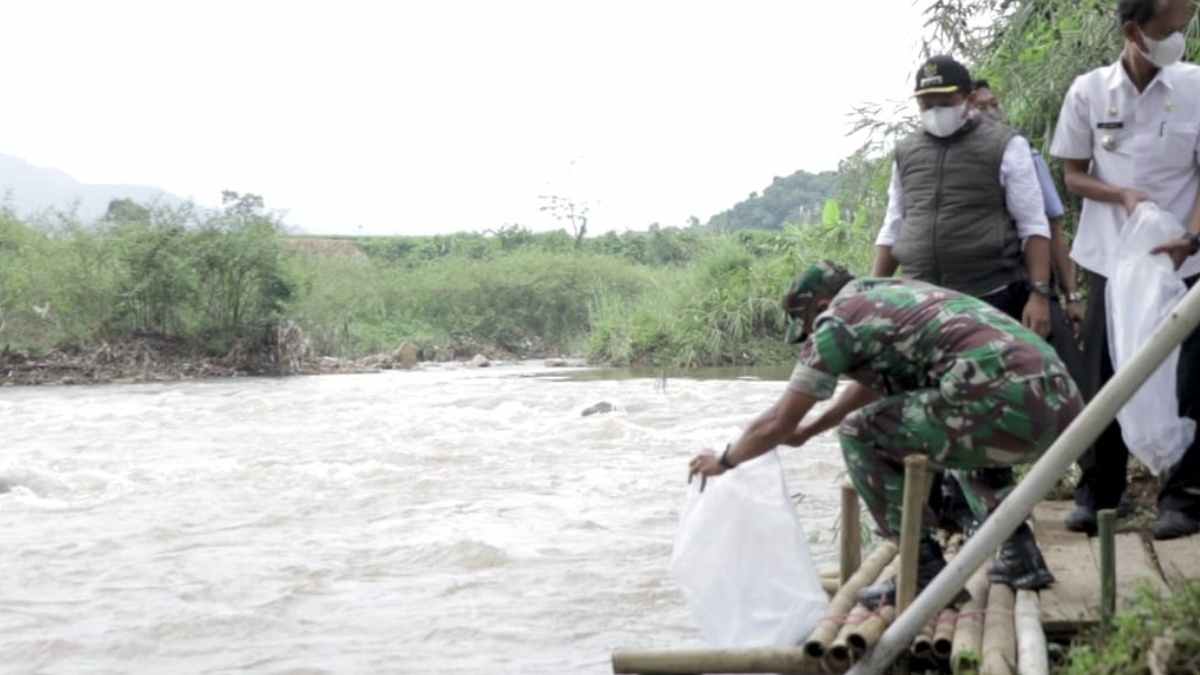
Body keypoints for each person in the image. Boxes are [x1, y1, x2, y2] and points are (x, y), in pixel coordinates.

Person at [687, 262, 1081, 609]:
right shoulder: (896, 294)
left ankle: (920, 567)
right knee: (958, 428)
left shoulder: (837, 321)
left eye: (806, 329)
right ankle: (1020, 554)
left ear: (820, 308)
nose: (810, 338)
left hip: (1002, 404)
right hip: (1063, 408)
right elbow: (871, 389)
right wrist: (809, 432)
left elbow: (778, 421)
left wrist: (724, 461)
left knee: (860, 432)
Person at [1050, 0, 1200, 539]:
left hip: (1184, 261)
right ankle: (1098, 492)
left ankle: (1182, 496)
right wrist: (1120, 194)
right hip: (1110, 258)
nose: (1180, 39)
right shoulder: (1089, 92)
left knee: (1188, 379)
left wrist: (1191, 236)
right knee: (1105, 374)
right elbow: (1072, 174)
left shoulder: (1194, 88)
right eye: (1171, 29)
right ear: (1135, 32)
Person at [872, 55, 1054, 335]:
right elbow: (894, 225)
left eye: (945, 103)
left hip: (990, 297)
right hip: (919, 301)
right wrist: (873, 293)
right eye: (926, 104)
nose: (935, 111)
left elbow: (1033, 225)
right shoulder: (906, 152)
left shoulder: (1005, 145)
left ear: (968, 100)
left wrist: (1039, 295)